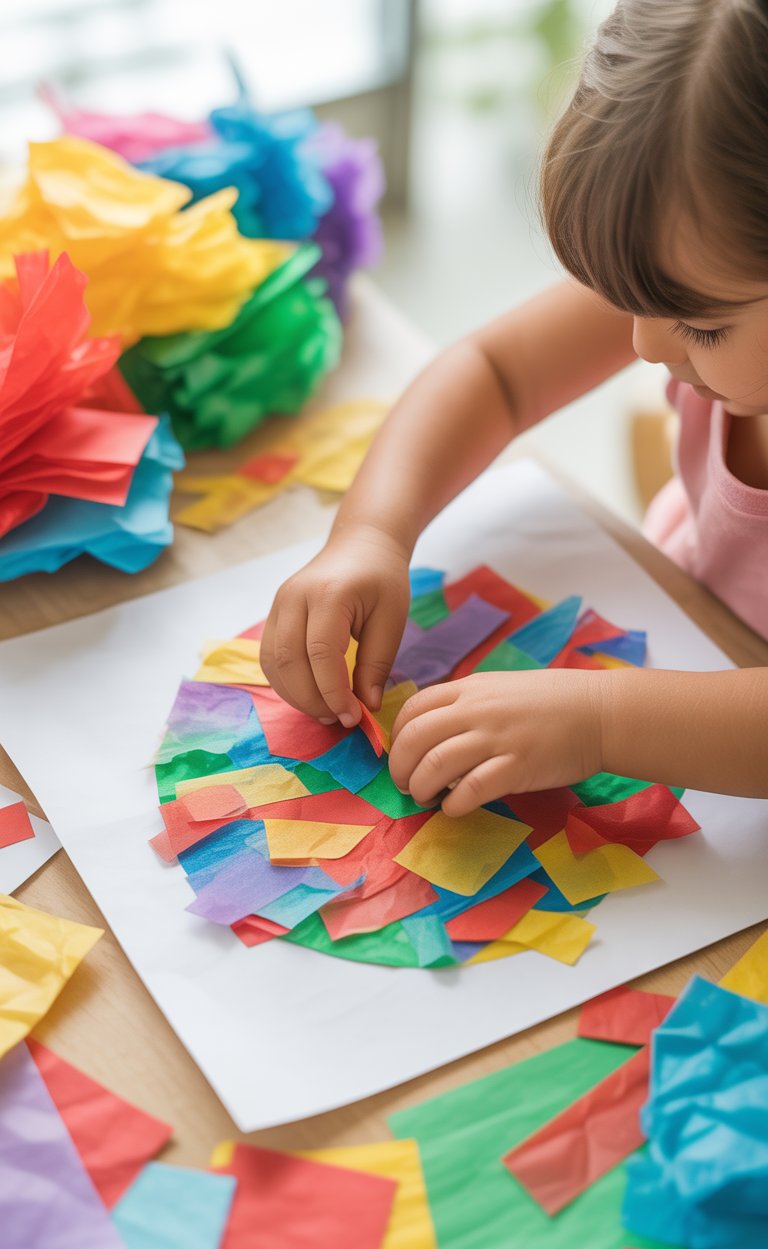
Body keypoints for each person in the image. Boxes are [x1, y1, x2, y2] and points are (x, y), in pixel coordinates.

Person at [261, 0, 768, 813]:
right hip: (684, 599)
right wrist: (371, 532)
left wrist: (600, 720)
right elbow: (495, 370)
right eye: (621, 300)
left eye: (699, 325)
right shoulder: (703, 265)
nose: (642, 346)